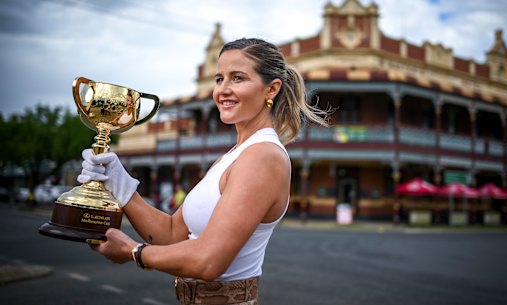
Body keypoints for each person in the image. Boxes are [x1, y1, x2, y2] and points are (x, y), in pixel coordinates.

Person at [78, 37, 329, 305]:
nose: (223, 89)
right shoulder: (234, 156)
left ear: (271, 89)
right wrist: (121, 186)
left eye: (238, 78)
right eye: (219, 79)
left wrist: (132, 251)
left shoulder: (263, 156)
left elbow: (208, 260)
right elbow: (175, 234)